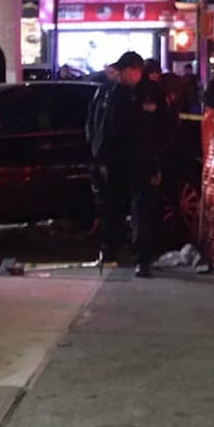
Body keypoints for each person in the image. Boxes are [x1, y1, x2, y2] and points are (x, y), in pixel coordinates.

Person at [86, 51, 176, 278]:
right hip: (113, 162)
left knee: (141, 213)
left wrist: (157, 158)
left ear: (135, 71)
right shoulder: (109, 92)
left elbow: (168, 128)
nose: (120, 75)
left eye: (123, 71)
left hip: (142, 161)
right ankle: (110, 251)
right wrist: (97, 152)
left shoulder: (153, 95)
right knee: (110, 209)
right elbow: (94, 122)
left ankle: (142, 260)